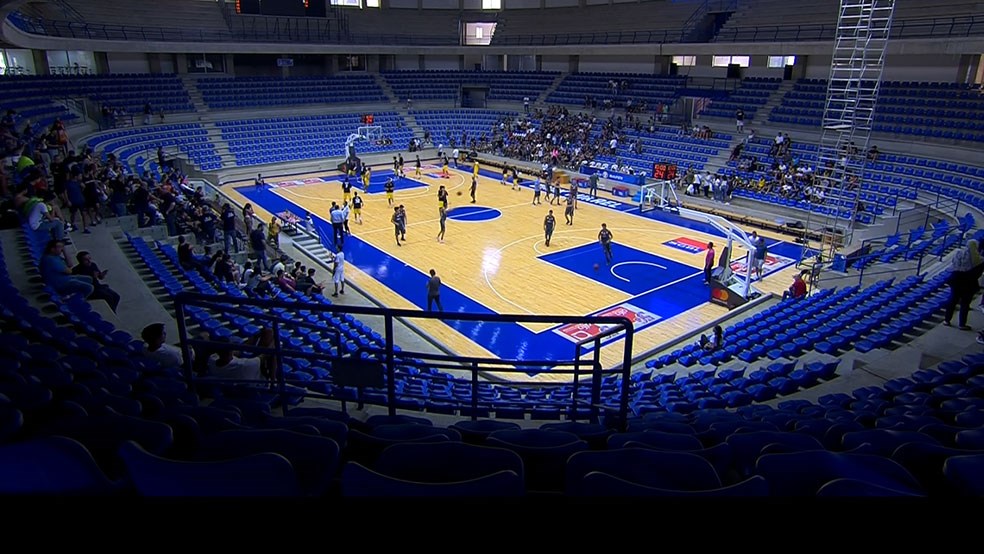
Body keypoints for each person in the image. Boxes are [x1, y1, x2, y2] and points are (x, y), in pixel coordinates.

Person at [944, 238, 984, 330]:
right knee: (965, 303)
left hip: (955, 279)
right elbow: (978, 273)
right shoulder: (979, 260)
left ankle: (947, 320)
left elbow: (953, 265)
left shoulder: (958, 253)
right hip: (969, 283)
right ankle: (962, 324)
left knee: (952, 300)